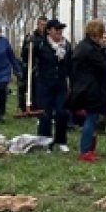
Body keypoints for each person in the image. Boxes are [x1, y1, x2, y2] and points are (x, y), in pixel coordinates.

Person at [70, 19, 106, 162]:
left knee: (91, 119)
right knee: (91, 119)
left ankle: (89, 149)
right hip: (91, 88)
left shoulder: (82, 46)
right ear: (96, 33)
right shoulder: (90, 50)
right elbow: (104, 67)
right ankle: (85, 151)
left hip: (82, 87)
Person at [34, 19, 73, 152]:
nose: (59, 32)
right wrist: (28, 46)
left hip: (61, 84)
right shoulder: (40, 44)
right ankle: (45, 141)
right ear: (49, 31)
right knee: (45, 114)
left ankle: (61, 140)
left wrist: (70, 81)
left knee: (62, 112)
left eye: (61, 29)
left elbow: (70, 65)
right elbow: (27, 57)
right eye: (56, 29)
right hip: (44, 84)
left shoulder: (66, 45)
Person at [19, 16, 48, 113]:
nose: (43, 27)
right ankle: (27, 106)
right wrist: (29, 45)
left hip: (44, 66)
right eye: (41, 25)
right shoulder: (31, 36)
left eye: (45, 25)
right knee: (30, 87)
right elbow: (23, 54)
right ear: (38, 24)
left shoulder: (48, 37)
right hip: (32, 66)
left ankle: (41, 107)